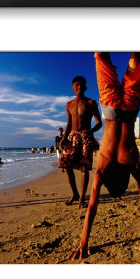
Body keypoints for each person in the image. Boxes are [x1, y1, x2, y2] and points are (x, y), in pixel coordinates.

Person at [68, 52, 140, 260]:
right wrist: (84, 242)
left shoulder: (132, 163)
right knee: (101, 57)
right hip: (110, 106)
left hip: (130, 108)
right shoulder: (102, 167)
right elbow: (91, 206)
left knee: (136, 60)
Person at [58, 76, 102, 208]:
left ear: (86, 87)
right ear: (73, 87)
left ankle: (82, 198)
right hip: (72, 137)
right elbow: (69, 123)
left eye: (82, 85)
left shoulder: (90, 103)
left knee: (84, 168)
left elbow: (99, 122)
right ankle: (75, 194)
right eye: (77, 85)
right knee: (65, 164)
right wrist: (64, 138)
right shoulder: (69, 104)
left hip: (85, 137)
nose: (79, 87)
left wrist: (90, 131)